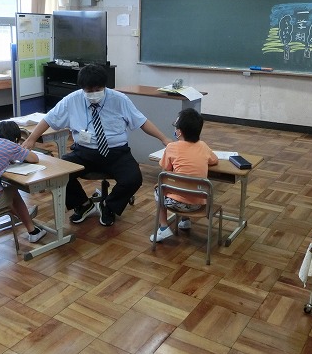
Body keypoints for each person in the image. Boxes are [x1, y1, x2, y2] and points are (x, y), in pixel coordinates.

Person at [23, 63, 171, 226]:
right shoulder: (72, 100)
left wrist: (164, 139)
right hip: (83, 152)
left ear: (104, 86)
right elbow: (49, 119)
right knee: (60, 173)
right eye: (89, 90)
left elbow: (142, 122)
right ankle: (83, 205)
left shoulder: (120, 99)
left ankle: (109, 206)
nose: (93, 94)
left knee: (133, 178)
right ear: (82, 88)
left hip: (117, 153)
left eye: (98, 89)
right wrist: (31, 139)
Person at [150, 108, 218, 242]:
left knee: (159, 188)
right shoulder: (203, 146)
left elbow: (165, 171)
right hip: (199, 203)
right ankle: (185, 221)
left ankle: (163, 228)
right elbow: (214, 160)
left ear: (179, 132)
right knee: (188, 184)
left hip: (176, 203)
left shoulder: (171, 147)